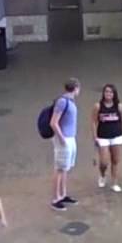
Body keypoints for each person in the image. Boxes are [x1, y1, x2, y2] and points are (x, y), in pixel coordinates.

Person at [50, 78, 81, 211]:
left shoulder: (69, 102)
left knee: (65, 168)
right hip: (64, 139)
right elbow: (53, 122)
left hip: (70, 138)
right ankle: (56, 198)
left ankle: (63, 194)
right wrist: (61, 138)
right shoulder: (63, 102)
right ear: (76, 88)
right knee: (60, 168)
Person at [93, 84, 122, 193]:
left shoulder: (119, 106)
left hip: (116, 135)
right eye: (106, 92)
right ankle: (102, 175)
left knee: (115, 160)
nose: (108, 94)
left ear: (114, 94)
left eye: (111, 92)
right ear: (103, 93)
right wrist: (95, 137)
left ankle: (115, 183)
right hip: (103, 137)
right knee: (104, 162)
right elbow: (93, 122)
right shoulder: (98, 106)